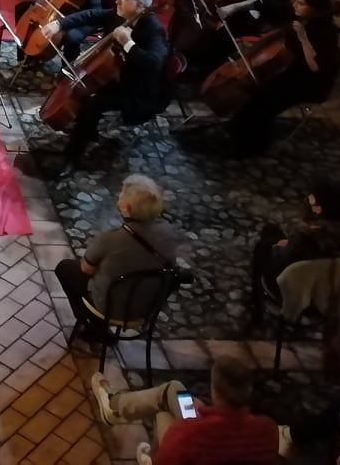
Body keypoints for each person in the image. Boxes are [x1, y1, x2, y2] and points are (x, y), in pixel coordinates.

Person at [51, 0, 169, 167]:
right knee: (84, 91)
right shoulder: (120, 14)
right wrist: (59, 24)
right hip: (117, 76)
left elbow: (153, 63)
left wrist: (128, 43)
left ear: (140, 6)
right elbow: (91, 15)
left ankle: (71, 157)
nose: (117, 1)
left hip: (137, 90)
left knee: (92, 103)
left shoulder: (154, 30)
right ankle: (87, 131)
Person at [53, 174, 186, 337]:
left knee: (65, 268)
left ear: (126, 208)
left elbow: (86, 269)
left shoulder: (111, 238)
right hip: (148, 306)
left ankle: (93, 326)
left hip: (111, 307)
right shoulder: (169, 231)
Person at [221, 0, 340, 156]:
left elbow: (315, 66)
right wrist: (234, 7)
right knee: (258, 92)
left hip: (310, 82)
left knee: (266, 100)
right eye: (295, 0)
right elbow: (264, 3)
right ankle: (238, 131)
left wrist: (303, 37)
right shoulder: (296, 13)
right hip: (291, 70)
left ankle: (253, 146)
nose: (295, 5)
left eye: (301, 3)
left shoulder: (327, 32)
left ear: (315, 8)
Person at [89, 356, 280, 465]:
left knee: (163, 408)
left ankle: (114, 405)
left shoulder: (188, 434)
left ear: (215, 391)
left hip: (189, 441)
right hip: (208, 428)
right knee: (174, 390)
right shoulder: (268, 430)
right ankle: (115, 405)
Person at [248, 178, 340, 314]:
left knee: (264, 244)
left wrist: (278, 247)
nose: (305, 200)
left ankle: (256, 301)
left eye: (310, 199)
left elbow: (280, 262)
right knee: (272, 232)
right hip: (323, 299)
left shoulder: (304, 239)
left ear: (317, 210)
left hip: (292, 294)